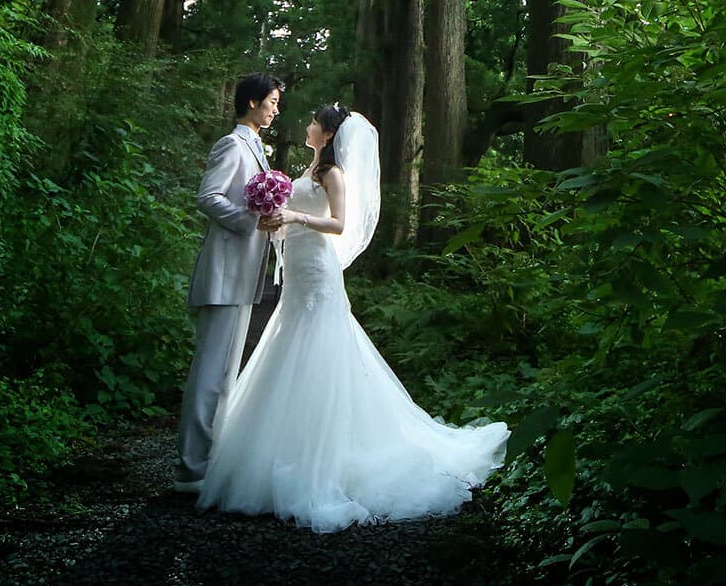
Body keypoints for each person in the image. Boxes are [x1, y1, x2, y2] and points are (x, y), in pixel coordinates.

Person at [196, 104, 508, 532]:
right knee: (290, 346)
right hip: (299, 271)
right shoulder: (310, 171)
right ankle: (285, 447)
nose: (305, 124)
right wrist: (276, 224)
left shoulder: (333, 173)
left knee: (319, 348)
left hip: (319, 272)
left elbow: (340, 224)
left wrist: (293, 215)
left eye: (312, 121)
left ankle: (319, 456)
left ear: (326, 132)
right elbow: (300, 223)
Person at [174, 72, 283, 492]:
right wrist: (250, 221)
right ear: (253, 102)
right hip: (224, 272)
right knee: (209, 374)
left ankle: (208, 459)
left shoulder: (257, 147)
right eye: (272, 101)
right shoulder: (232, 144)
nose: (275, 108)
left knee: (224, 375)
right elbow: (208, 196)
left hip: (244, 275)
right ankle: (190, 467)